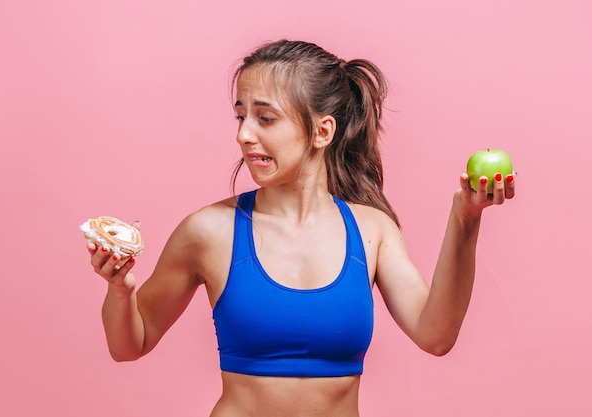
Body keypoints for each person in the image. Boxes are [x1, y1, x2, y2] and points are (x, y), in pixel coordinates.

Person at [86, 39, 516, 417]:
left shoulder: (371, 231)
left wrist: (466, 218)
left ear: (322, 131)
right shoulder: (208, 231)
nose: (244, 135)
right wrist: (120, 290)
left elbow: (436, 335)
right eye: (240, 116)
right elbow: (129, 346)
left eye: (265, 119)